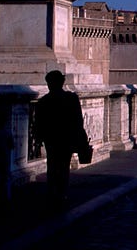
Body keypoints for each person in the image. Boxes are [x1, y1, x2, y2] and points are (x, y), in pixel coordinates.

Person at [35, 70, 89, 209]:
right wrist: (80, 138)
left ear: (48, 84)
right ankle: (61, 192)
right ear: (62, 82)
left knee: (52, 165)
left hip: (51, 138)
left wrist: (38, 139)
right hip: (66, 137)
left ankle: (52, 191)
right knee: (63, 165)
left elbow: (39, 123)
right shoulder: (71, 98)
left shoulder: (43, 102)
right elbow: (78, 120)